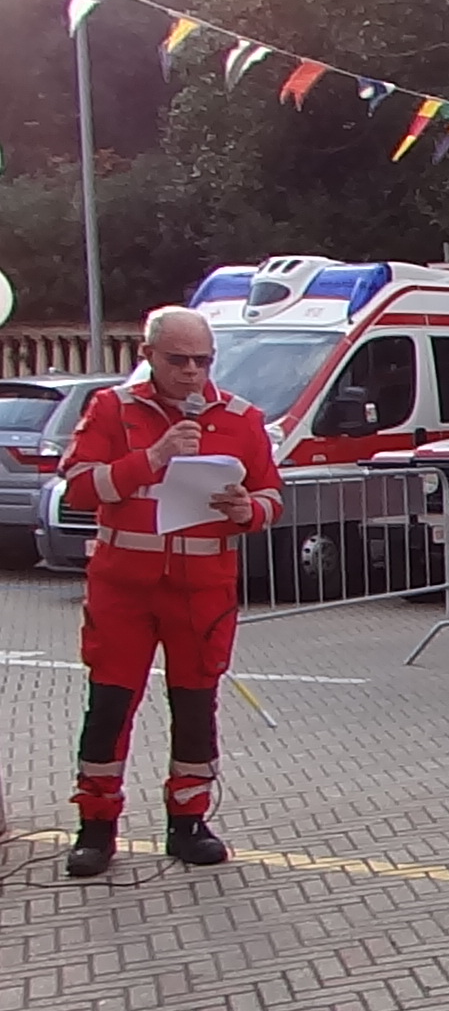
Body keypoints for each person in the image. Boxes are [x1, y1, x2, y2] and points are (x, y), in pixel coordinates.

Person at [59, 306, 284, 879]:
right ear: (148, 357)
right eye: (178, 360)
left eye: (202, 361)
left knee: (195, 707)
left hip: (200, 592)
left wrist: (247, 510)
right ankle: (96, 826)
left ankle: (188, 821)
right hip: (123, 590)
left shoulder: (241, 417)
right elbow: (80, 488)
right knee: (109, 705)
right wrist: (153, 458)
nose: (191, 373)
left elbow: (272, 497)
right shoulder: (111, 409)